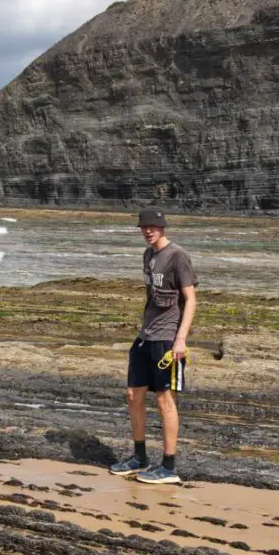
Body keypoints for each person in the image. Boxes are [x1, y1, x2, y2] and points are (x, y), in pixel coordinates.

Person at [109, 206, 198, 484]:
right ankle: (139, 457)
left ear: (163, 228)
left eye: (153, 227)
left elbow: (191, 299)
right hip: (145, 336)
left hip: (167, 340)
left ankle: (169, 467)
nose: (148, 231)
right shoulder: (148, 255)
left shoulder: (177, 256)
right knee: (133, 396)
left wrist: (180, 339)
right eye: (144, 227)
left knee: (164, 400)